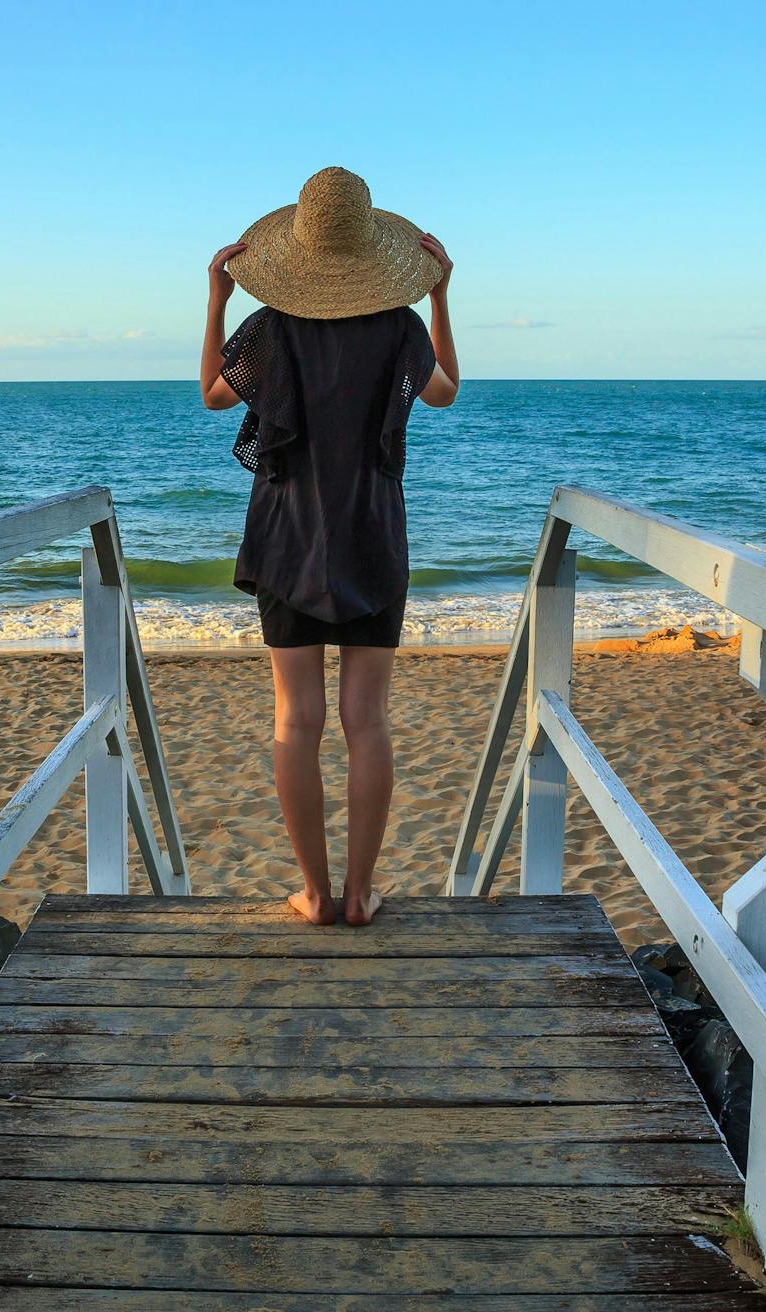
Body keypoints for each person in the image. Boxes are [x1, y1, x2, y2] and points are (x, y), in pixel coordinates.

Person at [199, 167, 459, 926]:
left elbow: (215, 393)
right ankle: (361, 893)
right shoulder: (399, 326)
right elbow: (444, 389)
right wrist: (440, 295)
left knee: (296, 719)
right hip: (372, 535)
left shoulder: (274, 328)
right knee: (367, 719)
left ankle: (314, 892)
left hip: (287, 538)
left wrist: (217, 297)